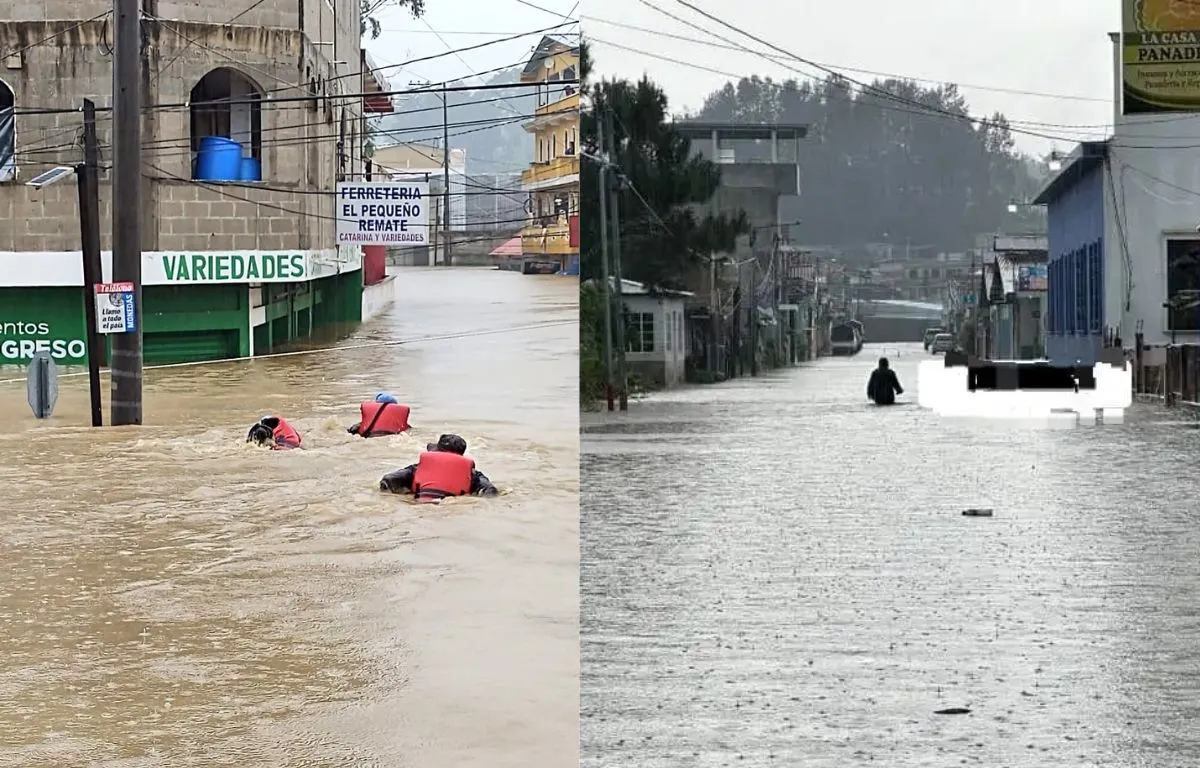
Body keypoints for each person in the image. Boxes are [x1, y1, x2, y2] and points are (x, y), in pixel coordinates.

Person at [379, 433, 498, 502]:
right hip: (452, 509)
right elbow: (491, 491)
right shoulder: (472, 474)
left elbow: (388, 479)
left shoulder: (417, 469)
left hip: (420, 509)